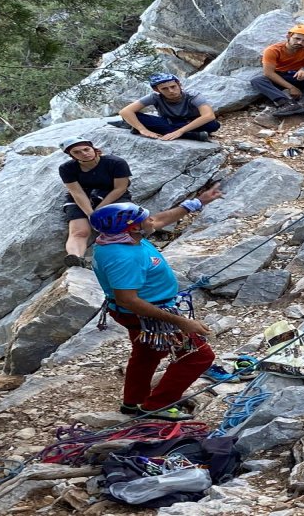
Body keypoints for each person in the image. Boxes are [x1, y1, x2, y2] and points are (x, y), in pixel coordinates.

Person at [90, 185, 223, 421]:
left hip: (141, 311)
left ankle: (134, 402)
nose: (151, 219)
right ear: (133, 228)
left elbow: (159, 220)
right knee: (198, 356)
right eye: (144, 219)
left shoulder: (122, 238)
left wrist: (198, 203)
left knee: (146, 354)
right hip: (149, 314)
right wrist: (181, 321)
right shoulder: (123, 257)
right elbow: (128, 299)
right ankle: (158, 405)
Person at [58, 137, 132, 268]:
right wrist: (90, 214)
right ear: (71, 156)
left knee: (114, 227)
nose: (84, 154)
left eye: (86, 149)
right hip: (82, 199)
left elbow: (120, 188)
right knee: (79, 232)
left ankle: (126, 256)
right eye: (77, 152)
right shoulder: (66, 168)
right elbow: (77, 192)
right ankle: (76, 258)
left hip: (112, 196)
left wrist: (98, 211)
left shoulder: (115, 163)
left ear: (93, 148)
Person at [250, 24, 304, 117]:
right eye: (297, 38)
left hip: (301, 77)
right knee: (257, 80)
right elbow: (268, 72)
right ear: (289, 36)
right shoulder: (273, 50)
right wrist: (291, 88)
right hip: (281, 76)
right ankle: (286, 104)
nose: (300, 42)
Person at [118, 73, 220, 141]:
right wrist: (142, 129)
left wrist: (180, 131)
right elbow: (125, 112)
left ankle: (180, 132)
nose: (171, 91)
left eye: (173, 87)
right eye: (165, 89)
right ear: (157, 90)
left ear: (179, 84)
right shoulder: (155, 97)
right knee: (132, 117)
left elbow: (209, 115)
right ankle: (192, 135)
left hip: (192, 122)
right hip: (168, 121)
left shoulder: (193, 95)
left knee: (212, 125)